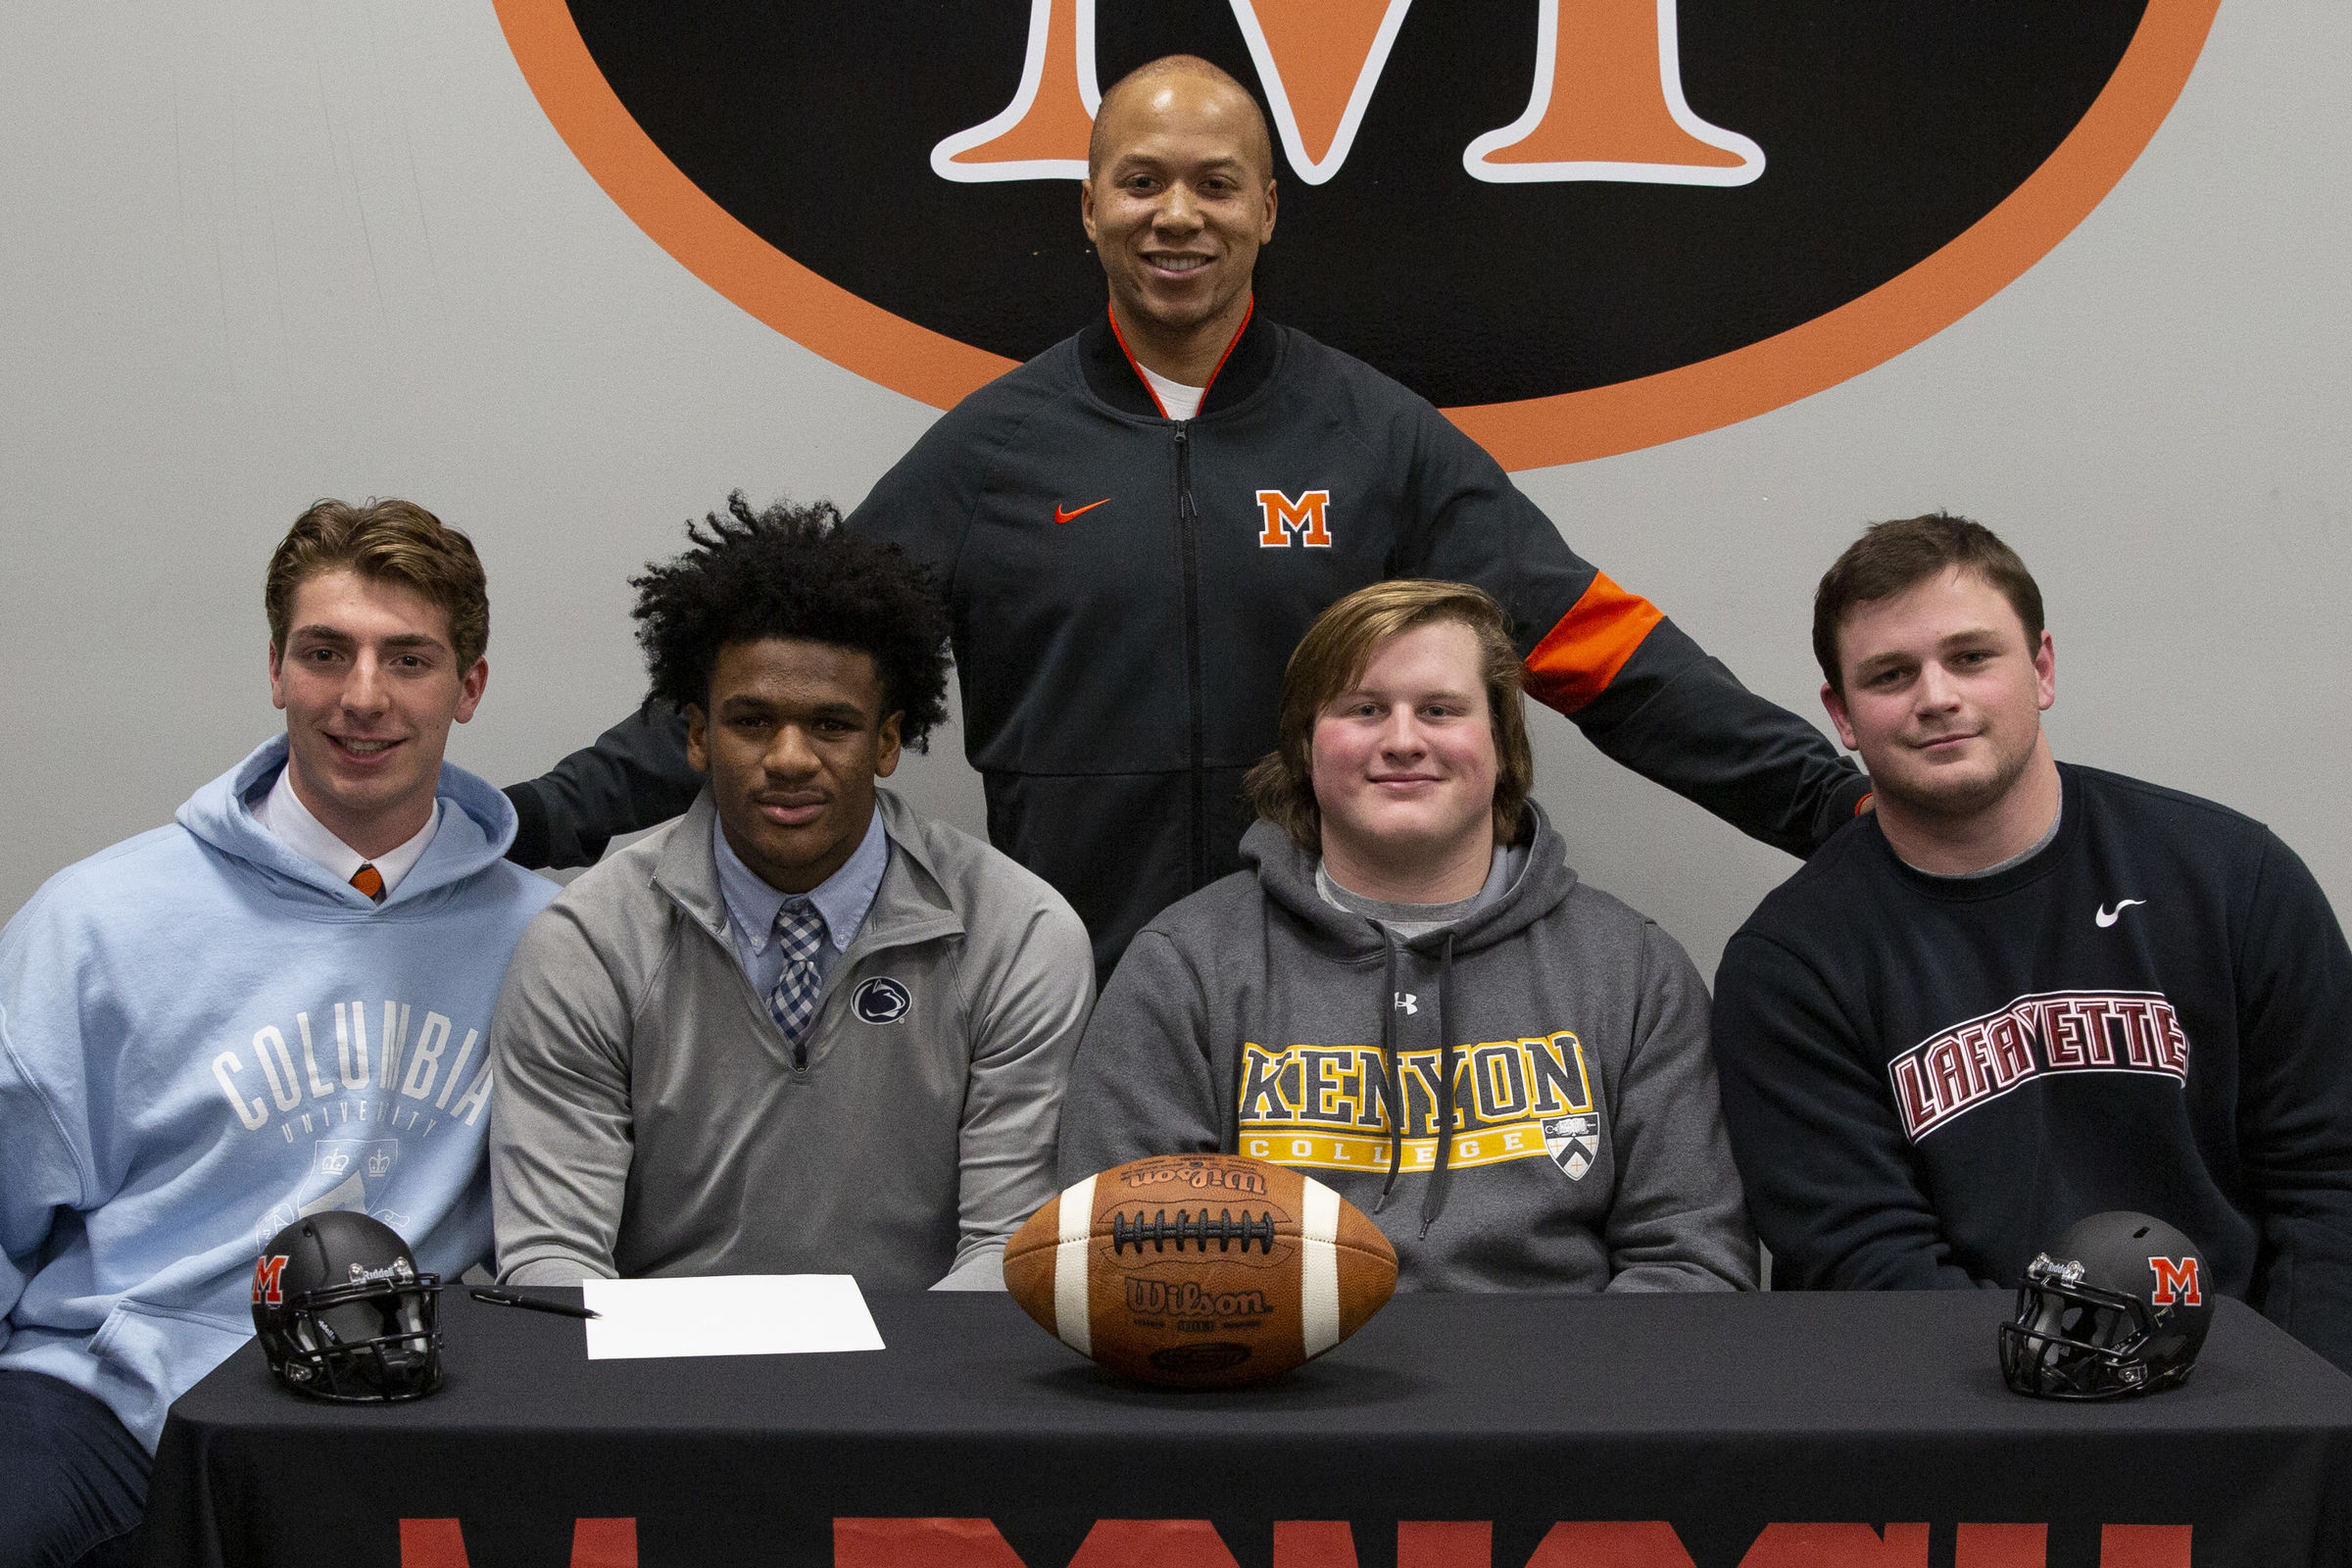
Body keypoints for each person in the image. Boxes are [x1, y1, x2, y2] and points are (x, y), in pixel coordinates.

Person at [501, 55, 1869, 980]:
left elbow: (1604, 651)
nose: (1177, 216)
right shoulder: (993, 451)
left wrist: (1833, 806)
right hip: (1068, 987)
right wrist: (532, 824)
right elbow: (778, 671)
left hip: (1336, 989)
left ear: (1267, 209)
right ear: (1089, 206)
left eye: (1215, 184)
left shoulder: (1375, 437)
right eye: (1142, 180)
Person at [0, 500, 555, 1567]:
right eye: (324, 652)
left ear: (469, 687)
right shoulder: (96, 924)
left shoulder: (546, 941)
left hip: (406, 1414)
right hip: (115, 1409)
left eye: (409, 659)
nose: (363, 696)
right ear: (275, 670)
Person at [1711, 513, 2352, 1370]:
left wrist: (2297, 1399)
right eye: (1891, 674)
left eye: (1971, 657)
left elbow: (2332, 1184)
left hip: (2247, 1393)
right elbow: (1865, 1264)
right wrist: (2058, 1387)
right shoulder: (1789, 965)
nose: (1936, 697)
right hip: (1969, 1415)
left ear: (2042, 668)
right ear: (1843, 715)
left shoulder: (2234, 878)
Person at [1058, 580, 1755, 1292]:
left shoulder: (1632, 969)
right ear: (1305, 746)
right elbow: (1121, 1264)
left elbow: (1691, 1258)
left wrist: (1551, 1370)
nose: (1402, 741)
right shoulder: (1185, 967)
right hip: (1274, 1361)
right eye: (1364, 709)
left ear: (1502, 745)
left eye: (1439, 710)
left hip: (1562, 1363)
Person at [488, 497, 1093, 1292]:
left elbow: (1008, 1251)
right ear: (698, 736)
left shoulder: (1018, 934)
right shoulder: (587, 945)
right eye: (751, 722)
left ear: (887, 741)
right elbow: (552, 1256)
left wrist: (885, 1368)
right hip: (661, 1363)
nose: (790, 758)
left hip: (926, 1360)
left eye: (832, 726)